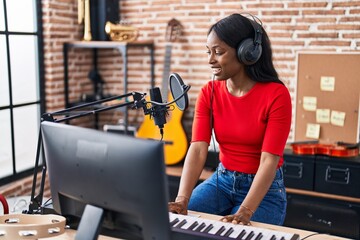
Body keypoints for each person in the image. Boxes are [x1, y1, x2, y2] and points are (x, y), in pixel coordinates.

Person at [168, 13, 292, 226]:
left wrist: (246, 210)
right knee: (177, 224)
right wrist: (182, 200)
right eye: (208, 52)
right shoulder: (209, 92)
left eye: (219, 52)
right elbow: (198, 148)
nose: (210, 60)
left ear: (247, 53)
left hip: (264, 190)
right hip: (221, 181)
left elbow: (268, 161)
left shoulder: (276, 95)